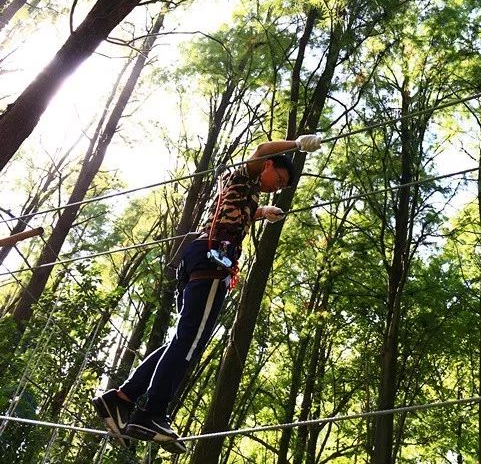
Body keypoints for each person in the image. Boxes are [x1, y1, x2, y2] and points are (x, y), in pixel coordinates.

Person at [91, 134, 323, 453]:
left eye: (282, 187)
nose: (278, 187)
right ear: (268, 165)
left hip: (198, 256)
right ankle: (152, 411)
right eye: (279, 179)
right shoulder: (247, 172)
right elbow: (260, 149)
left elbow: (233, 211)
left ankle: (121, 398)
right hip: (212, 259)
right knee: (191, 340)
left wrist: (263, 211)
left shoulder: (244, 190)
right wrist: (297, 144)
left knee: (183, 338)